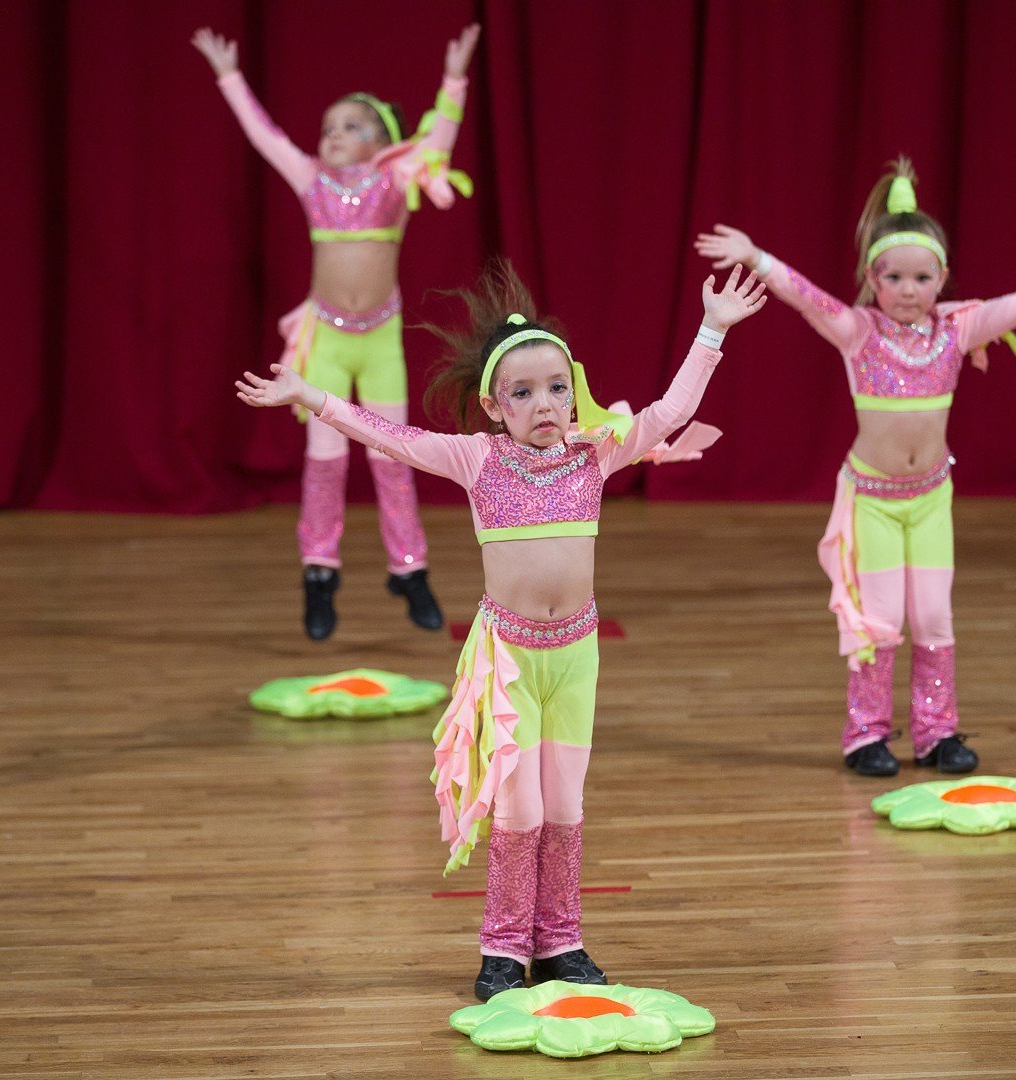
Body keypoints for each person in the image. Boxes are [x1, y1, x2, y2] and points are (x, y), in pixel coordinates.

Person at [235, 260, 766, 999]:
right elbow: (390, 435)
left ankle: (562, 942)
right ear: (493, 405)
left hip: (575, 658)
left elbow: (670, 411)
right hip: (509, 659)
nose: (544, 404)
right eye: (522, 393)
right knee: (520, 810)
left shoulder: (596, 452)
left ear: (573, 391)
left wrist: (712, 329)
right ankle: (504, 948)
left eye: (557, 387)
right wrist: (311, 395)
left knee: (566, 806)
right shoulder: (477, 459)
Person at [695, 157, 1016, 777]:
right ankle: (865, 736)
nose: (907, 290)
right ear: (872, 278)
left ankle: (937, 734)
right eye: (893, 277)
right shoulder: (857, 332)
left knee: (934, 617)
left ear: (941, 279)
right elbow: (804, 296)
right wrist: (756, 257)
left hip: (931, 497)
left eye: (921, 277)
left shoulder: (959, 330)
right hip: (875, 501)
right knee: (881, 621)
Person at [193, 23, 480, 638]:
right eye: (328, 127)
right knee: (324, 462)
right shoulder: (310, 179)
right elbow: (265, 136)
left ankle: (409, 569)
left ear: (384, 141)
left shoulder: (396, 183)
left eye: (350, 126)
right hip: (325, 339)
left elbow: (438, 139)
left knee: (393, 456)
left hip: (380, 342)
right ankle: (319, 572)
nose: (333, 135)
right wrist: (229, 75)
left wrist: (454, 79)